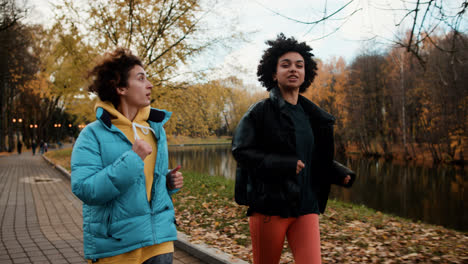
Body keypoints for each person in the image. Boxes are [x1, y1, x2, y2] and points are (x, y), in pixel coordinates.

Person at [231, 34, 356, 264]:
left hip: (306, 206)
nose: (293, 69)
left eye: (299, 65)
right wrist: (283, 165)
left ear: (306, 72)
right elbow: (241, 150)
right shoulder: (259, 112)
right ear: (273, 72)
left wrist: (338, 173)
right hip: (270, 207)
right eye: (285, 64)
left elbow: (312, 156)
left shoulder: (313, 115)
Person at [71, 48, 183, 264]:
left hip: (159, 242)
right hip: (118, 247)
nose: (149, 85)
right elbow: (85, 189)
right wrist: (132, 160)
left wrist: (167, 182)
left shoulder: (155, 129)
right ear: (120, 87)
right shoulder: (92, 135)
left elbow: (147, 181)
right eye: (141, 78)